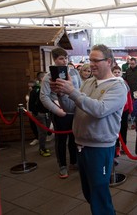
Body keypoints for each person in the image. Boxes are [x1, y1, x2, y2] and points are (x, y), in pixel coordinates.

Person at [52, 44, 127, 215]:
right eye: (90, 60)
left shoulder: (118, 86)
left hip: (100, 147)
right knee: (89, 192)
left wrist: (73, 92)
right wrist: (62, 93)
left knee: (99, 193)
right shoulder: (89, 82)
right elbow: (72, 107)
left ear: (108, 62)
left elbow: (99, 110)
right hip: (82, 144)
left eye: (95, 60)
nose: (91, 64)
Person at [40, 47, 81, 179]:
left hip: (75, 110)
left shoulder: (74, 72)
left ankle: (74, 162)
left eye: (66, 58)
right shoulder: (49, 77)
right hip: (60, 112)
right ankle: (62, 165)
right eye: (61, 58)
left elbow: (80, 88)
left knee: (74, 138)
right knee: (61, 140)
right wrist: (57, 110)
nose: (64, 61)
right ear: (54, 59)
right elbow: (44, 97)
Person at [112, 65, 133, 160]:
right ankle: (116, 147)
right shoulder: (110, 83)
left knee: (123, 129)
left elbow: (128, 96)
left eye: (118, 72)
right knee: (115, 130)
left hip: (124, 109)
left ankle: (124, 146)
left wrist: (130, 109)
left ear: (121, 73)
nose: (116, 74)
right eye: (115, 72)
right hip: (114, 110)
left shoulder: (125, 83)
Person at [29, 71, 51, 157]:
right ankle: (42, 148)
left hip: (47, 113)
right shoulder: (36, 90)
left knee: (46, 130)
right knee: (42, 132)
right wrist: (35, 113)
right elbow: (31, 104)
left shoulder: (48, 88)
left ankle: (43, 146)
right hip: (39, 114)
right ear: (42, 79)